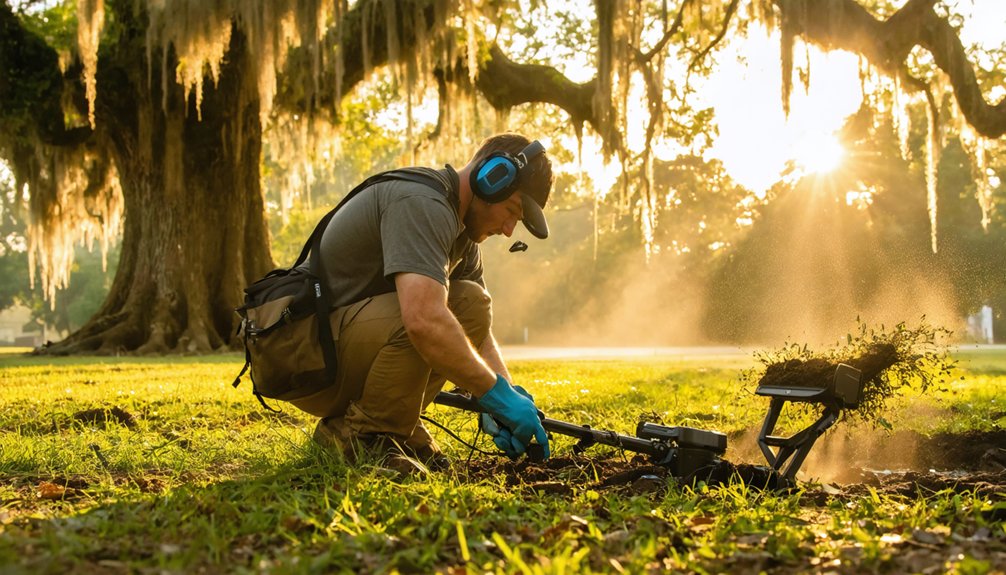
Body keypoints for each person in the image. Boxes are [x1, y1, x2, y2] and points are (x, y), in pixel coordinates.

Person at [288, 133, 553, 474]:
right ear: (492, 177)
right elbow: (424, 319)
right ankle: (364, 436)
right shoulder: (422, 203)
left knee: (471, 305)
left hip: (334, 352)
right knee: (449, 309)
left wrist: (503, 391)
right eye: (512, 211)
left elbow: (476, 329)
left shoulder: (461, 234)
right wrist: (494, 394)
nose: (508, 230)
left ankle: (386, 427)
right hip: (303, 357)